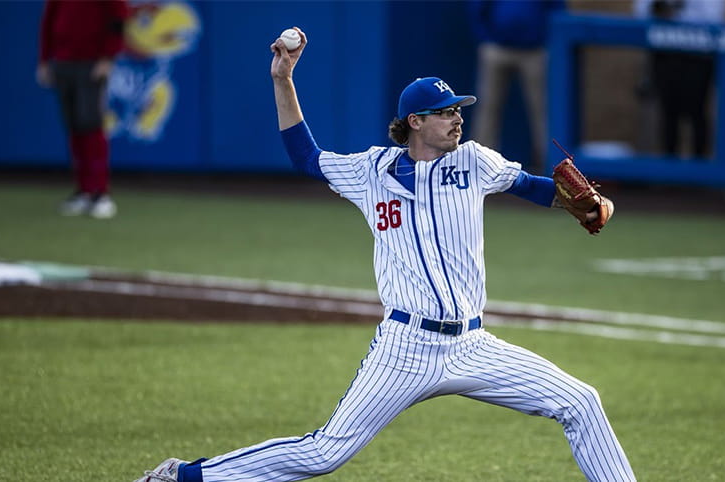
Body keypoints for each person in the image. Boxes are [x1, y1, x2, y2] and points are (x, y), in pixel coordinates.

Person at [135, 27, 635, 482]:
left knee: (581, 401)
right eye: (445, 112)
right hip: (405, 349)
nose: (457, 118)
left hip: (474, 344)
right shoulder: (371, 172)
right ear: (415, 122)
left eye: (458, 109)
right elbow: (306, 158)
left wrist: (591, 205)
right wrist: (283, 79)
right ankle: (182, 477)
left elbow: (533, 186)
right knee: (324, 453)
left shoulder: (475, 161)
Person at [36, 0, 129, 219]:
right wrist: (44, 60)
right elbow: (48, 22)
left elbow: (117, 20)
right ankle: (84, 191)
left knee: (92, 124)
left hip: (91, 63)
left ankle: (100, 192)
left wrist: (108, 57)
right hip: (63, 62)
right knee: (74, 126)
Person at [468, 0, 566, 175]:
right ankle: (479, 167)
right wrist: (486, 36)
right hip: (497, 47)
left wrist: (543, 39)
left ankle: (552, 168)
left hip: (534, 50)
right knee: (488, 107)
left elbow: (557, 12)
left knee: (542, 109)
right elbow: (478, 9)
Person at [634, 0, 725, 158]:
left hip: (698, 56)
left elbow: (714, 17)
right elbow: (641, 13)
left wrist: (676, 11)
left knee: (696, 111)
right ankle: (669, 170)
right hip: (664, 53)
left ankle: (699, 170)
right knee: (668, 113)